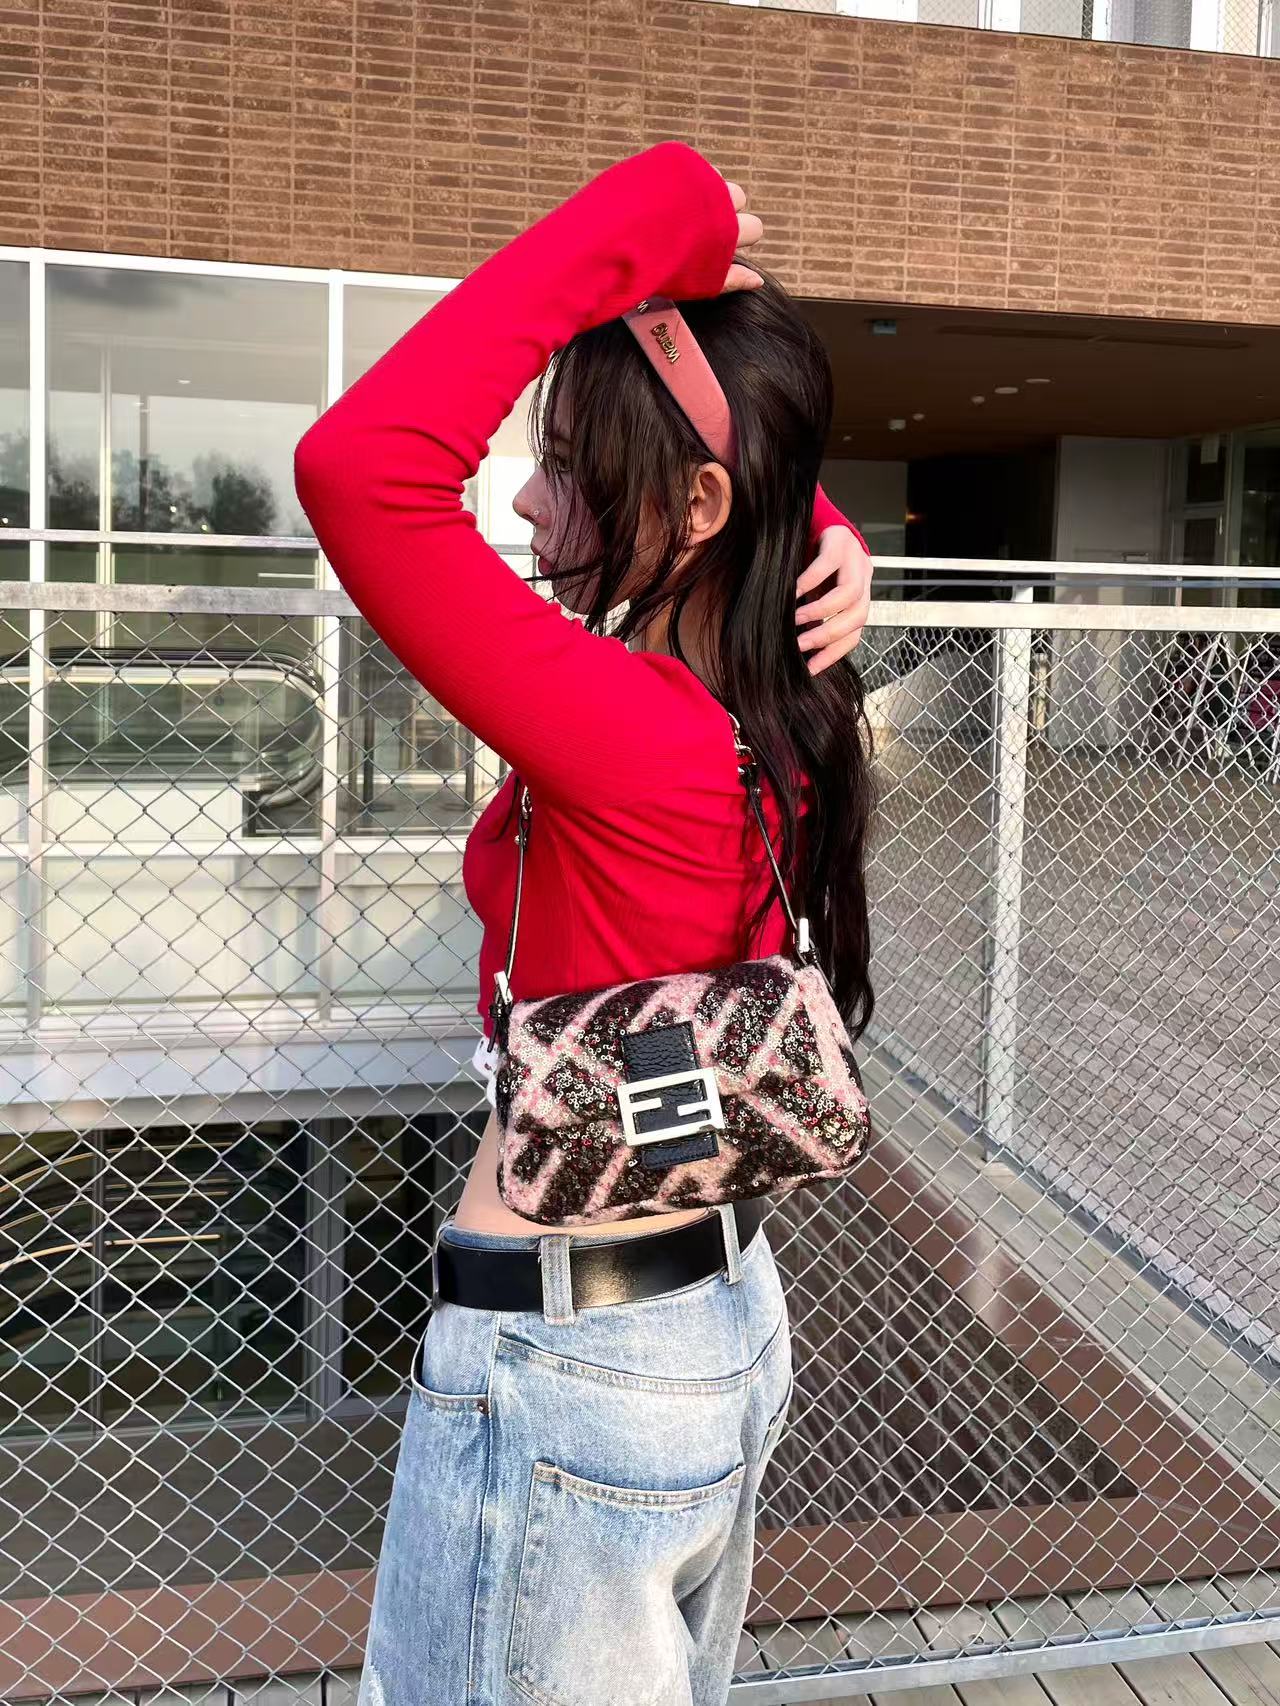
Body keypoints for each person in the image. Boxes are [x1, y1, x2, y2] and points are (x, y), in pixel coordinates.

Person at [294, 139, 876, 1706]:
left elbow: (359, 466)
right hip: (718, 1322)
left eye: (572, 466)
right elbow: (747, 475)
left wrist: (659, 210)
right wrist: (825, 518)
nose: (528, 497)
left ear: (694, 505)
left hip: (567, 1368)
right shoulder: (788, 703)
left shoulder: (620, 726)